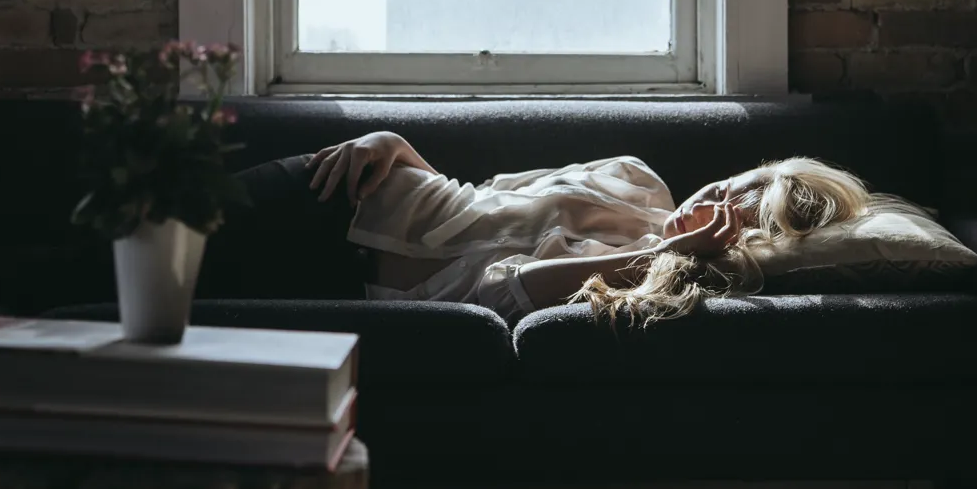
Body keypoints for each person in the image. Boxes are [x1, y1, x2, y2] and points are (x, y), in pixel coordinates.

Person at [219, 131, 870, 327]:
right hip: (338, 190)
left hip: (338, 285)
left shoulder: (661, 281)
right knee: (137, 222)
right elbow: (486, 198)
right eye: (725, 187)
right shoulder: (635, 174)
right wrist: (394, 145)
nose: (709, 204)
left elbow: (508, 294)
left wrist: (668, 252)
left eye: (731, 216)